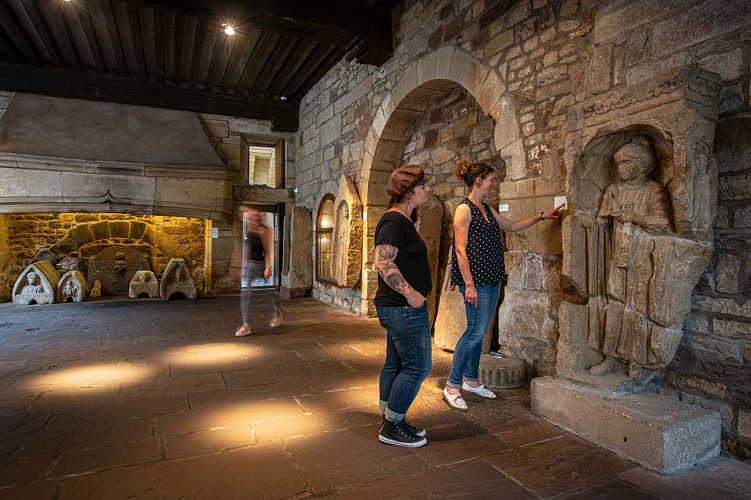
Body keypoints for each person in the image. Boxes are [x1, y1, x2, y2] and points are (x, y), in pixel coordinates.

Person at [444, 160, 564, 410]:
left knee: (481, 332)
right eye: (491, 179)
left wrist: (543, 215)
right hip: (475, 280)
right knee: (474, 332)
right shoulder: (464, 210)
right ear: (479, 181)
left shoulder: (486, 208)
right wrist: (469, 285)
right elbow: (460, 250)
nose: (494, 183)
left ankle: (472, 381)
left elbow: (512, 225)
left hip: (491, 277)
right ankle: (452, 385)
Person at [588, 135, 672, 383]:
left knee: (638, 308)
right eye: (619, 164)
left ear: (643, 165)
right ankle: (611, 357)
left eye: (626, 163)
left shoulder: (654, 191)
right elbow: (601, 223)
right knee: (615, 303)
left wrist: (635, 216)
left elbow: (665, 223)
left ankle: (637, 360)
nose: (621, 169)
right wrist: (592, 222)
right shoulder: (613, 191)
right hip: (617, 255)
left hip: (642, 257)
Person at [374, 165, 433, 448]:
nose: (428, 190)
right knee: (418, 367)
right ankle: (392, 425)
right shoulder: (395, 222)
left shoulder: (402, 219)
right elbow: (383, 262)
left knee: (396, 362)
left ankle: (390, 414)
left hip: (399, 307)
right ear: (409, 193)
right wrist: (411, 295)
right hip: (403, 307)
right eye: (423, 187)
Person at [231, 206, 282, 337]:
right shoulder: (249, 230)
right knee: (246, 293)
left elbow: (268, 251)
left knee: (268, 291)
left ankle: (277, 314)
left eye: (254, 216)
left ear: (258, 217)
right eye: (250, 216)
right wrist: (241, 267)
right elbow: (246, 250)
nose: (251, 218)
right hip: (249, 266)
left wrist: (268, 267)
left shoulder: (263, 231)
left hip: (260, 266)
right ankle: (246, 325)